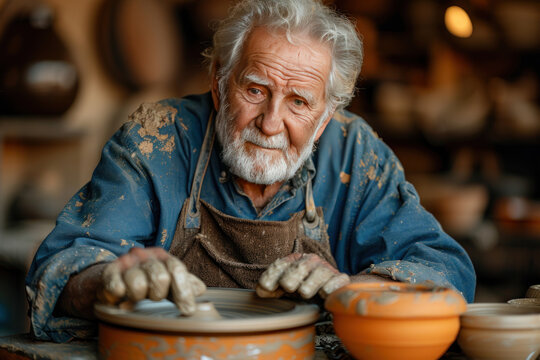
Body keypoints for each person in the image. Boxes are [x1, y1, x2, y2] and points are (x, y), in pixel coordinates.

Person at [26, 0, 476, 343]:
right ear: (220, 85)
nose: (271, 122)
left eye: (299, 101)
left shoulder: (354, 153)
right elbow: (59, 270)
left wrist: (353, 288)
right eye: (255, 89)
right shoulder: (156, 139)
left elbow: (445, 269)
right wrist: (109, 279)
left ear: (323, 119)